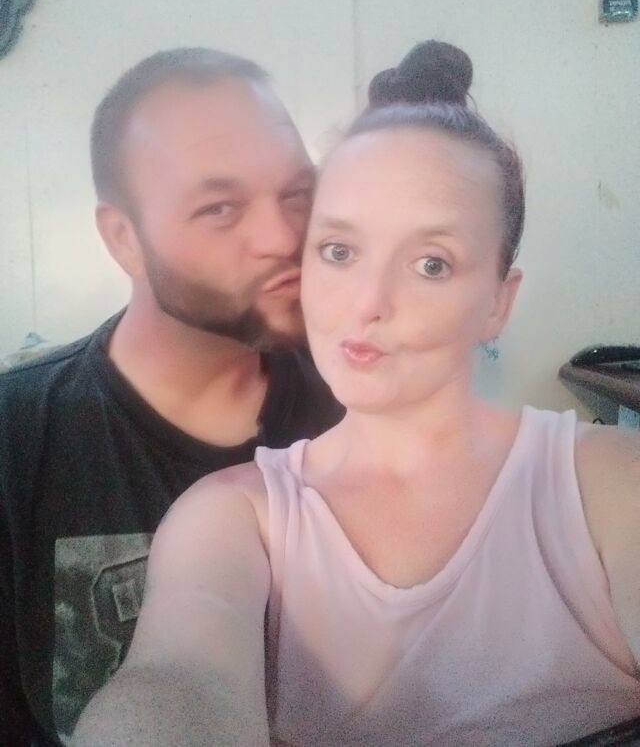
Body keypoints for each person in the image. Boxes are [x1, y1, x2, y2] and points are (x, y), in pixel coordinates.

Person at [73, 42, 640, 747]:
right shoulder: (232, 518)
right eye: (339, 251)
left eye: (431, 263)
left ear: (498, 300)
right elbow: (177, 681)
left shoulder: (607, 484)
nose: (367, 302)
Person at [0, 47, 343, 747]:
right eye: (219, 208)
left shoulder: (360, 401)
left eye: (296, 193)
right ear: (124, 238)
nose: (283, 237)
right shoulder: (17, 438)